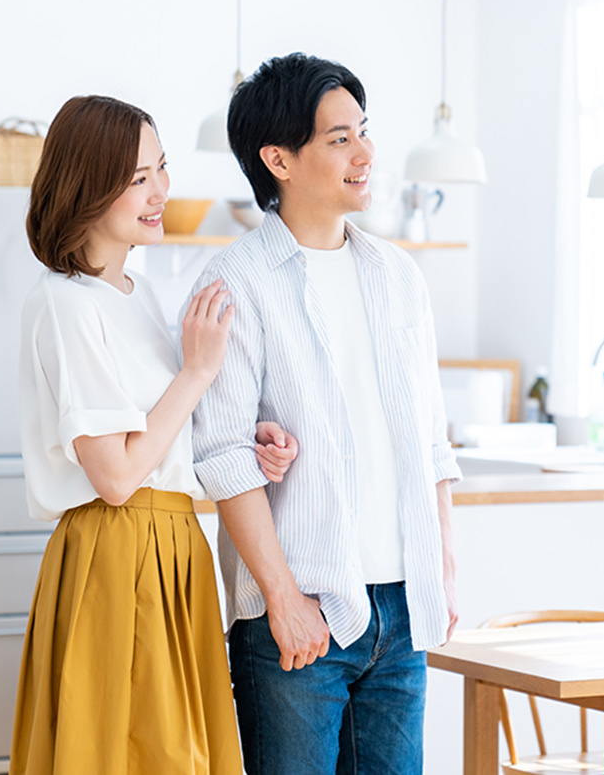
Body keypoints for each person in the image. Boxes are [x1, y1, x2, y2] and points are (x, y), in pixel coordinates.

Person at [188, 53, 460, 775]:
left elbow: (430, 442)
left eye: (363, 132)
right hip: (299, 610)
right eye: (340, 139)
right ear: (278, 157)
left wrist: (443, 570)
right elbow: (222, 458)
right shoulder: (234, 282)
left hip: (402, 612)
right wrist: (281, 597)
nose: (365, 154)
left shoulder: (399, 276)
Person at [12, 95, 297, 775]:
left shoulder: (136, 295)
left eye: (160, 168)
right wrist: (197, 374)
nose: (161, 190)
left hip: (172, 550)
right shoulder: (65, 302)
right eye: (139, 176)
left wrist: (242, 442)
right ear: (88, 184)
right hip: (119, 557)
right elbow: (114, 477)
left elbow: (156, 440)